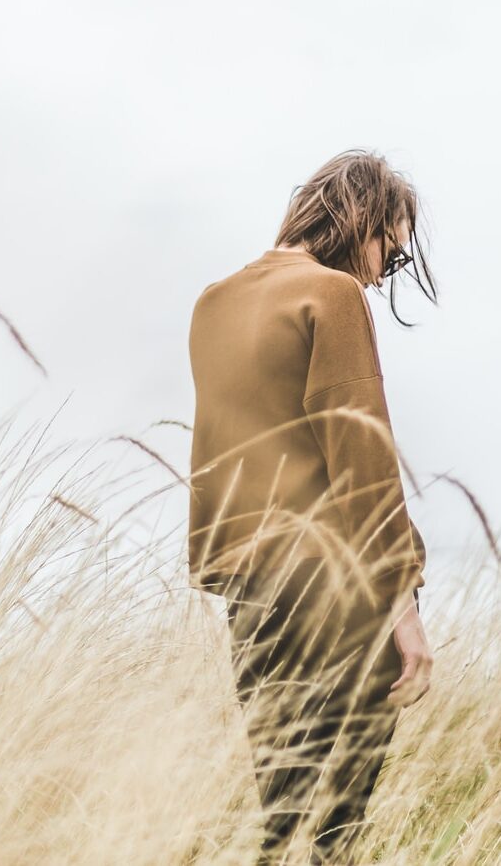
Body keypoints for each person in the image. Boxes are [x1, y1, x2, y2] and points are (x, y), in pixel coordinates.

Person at [187, 148, 438, 864]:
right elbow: (361, 456)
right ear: (358, 220)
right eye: (387, 253)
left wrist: (229, 575)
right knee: (337, 828)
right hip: (336, 586)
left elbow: (217, 457)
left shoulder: (214, 303)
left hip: (250, 593)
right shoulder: (330, 295)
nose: (377, 273)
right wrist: (403, 603)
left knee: (281, 811)